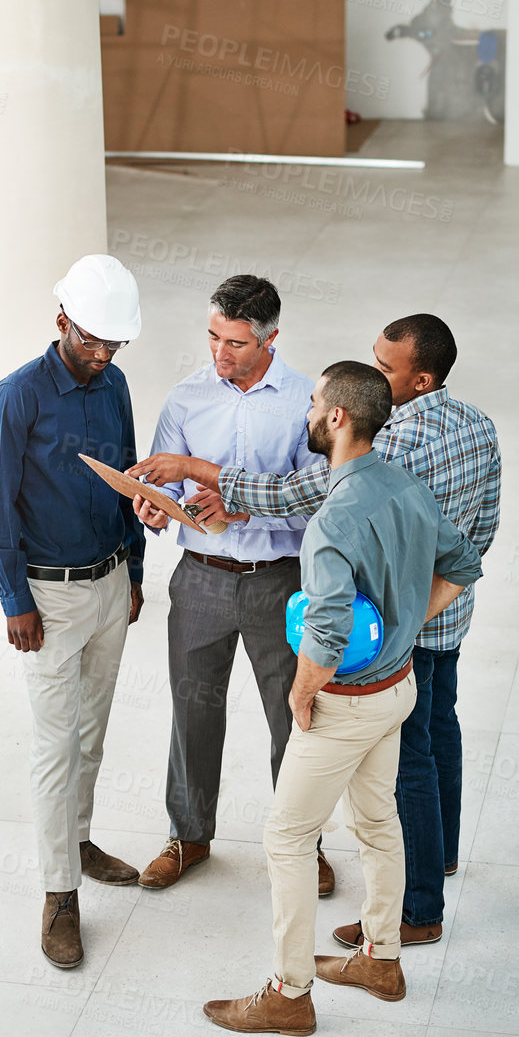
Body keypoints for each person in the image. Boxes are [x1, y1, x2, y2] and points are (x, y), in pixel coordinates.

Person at [128, 314, 500, 951]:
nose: (376, 381)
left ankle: (413, 915)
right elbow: (478, 537)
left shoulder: (382, 461)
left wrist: (310, 686)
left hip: (383, 645)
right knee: (437, 737)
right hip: (435, 627)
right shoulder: (476, 425)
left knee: (390, 780)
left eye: (386, 370)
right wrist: (424, 608)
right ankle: (437, 859)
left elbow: (306, 504)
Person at [201, 361, 483, 1035]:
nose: (305, 414)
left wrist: (302, 694)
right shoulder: (406, 487)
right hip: (399, 688)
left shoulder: (334, 519)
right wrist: (407, 627)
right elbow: (463, 564)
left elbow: (326, 629)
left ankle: (289, 993)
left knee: (289, 835)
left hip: (349, 701)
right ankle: (382, 960)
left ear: (337, 418)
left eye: (313, 405)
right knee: (379, 821)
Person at [129, 276, 333, 896]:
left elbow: (323, 498)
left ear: (271, 338)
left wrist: (249, 508)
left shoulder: (307, 401)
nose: (221, 353)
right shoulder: (187, 398)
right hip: (201, 582)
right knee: (193, 710)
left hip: (280, 583)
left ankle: (304, 845)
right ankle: (187, 835)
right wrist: (156, 506)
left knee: (293, 717)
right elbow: (164, 478)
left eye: (238, 343)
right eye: (214, 337)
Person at [0, 254, 148, 970]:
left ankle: (78, 840)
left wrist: (134, 566)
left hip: (110, 584)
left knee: (93, 733)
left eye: (113, 345)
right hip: (47, 597)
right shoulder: (18, 397)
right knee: (55, 749)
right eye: (90, 342)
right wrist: (15, 600)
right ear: (61, 323)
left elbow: (129, 476)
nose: (101, 356)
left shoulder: (115, 387)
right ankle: (59, 894)